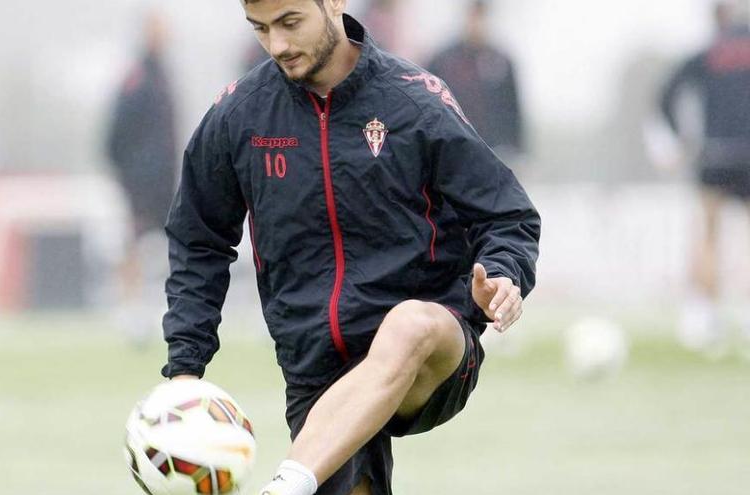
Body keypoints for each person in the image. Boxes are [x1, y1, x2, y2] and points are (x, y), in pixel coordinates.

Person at [162, 1, 541, 494]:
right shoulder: (239, 114)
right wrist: (185, 371)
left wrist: (503, 273)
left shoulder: (415, 101)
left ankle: (286, 484)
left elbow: (507, 213)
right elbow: (198, 238)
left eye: (290, 22)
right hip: (316, 371)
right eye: (261, 29)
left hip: (430, 353)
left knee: (409, 324)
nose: (277, 45)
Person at [659, 1, 750, 356]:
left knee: (709, 234)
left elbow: (666, 94)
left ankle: (705, 316)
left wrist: (679, 137)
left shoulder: (706, 54)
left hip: (715, 154)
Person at [106, 10, 178, 346]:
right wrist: (130, 175)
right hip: (139, 182)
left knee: (166, 247)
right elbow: (114, 135)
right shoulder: (136, 76)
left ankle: (165, 312)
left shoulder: (162, 72)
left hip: (165, 180)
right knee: (133, 245)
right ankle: (130, 313)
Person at [426, 0, 524, 160]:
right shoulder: (443, 61)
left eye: (481, 17)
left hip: (493, 150)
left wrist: (516, 148)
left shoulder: (501, 61)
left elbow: (513, 109)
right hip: (452, 148)